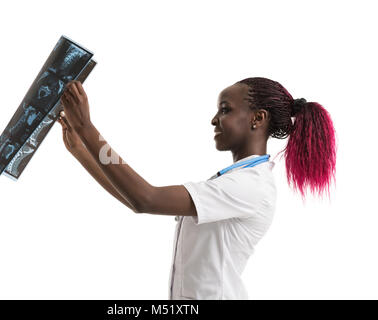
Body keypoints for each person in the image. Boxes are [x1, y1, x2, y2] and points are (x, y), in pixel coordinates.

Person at [57, 77, 337, 299]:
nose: (214, 119)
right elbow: (135, 201)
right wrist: (82, 151)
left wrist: (87, 129)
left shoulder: (250, 185)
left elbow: (146, 198)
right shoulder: (232, 180)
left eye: (225, 109)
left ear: (258, 119)